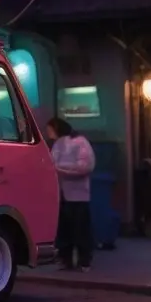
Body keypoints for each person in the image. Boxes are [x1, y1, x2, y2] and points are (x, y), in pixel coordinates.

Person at [46, 116, 96, 271]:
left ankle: (84, 260)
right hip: (62, 194)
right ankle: (66, 258)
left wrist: (60, 169)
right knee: (64, 230)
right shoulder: (58, 144)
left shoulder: (79, 142)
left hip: (77, 194)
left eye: (50, 129)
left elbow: (85, 166)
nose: (48, 133)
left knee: (80, 229)